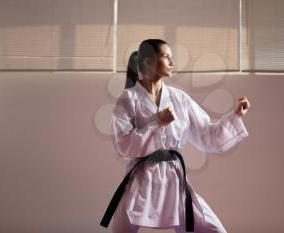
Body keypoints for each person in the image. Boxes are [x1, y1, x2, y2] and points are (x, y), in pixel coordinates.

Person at [100, 39, 251, 233]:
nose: (172, 62)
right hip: (140, 178)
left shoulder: (179, 98)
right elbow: (123, 145)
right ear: (148, 61)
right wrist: (158, 123)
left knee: (215, 230)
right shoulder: (128, 98)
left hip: (173, 178)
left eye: (172, 57)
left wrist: (236, 114)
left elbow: (208, 134)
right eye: (166, 56)